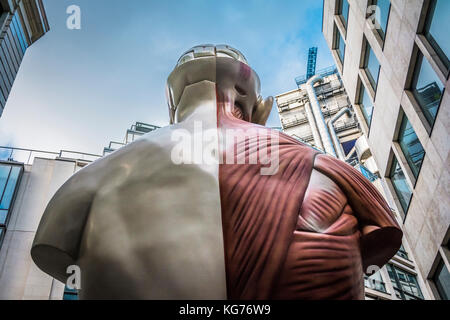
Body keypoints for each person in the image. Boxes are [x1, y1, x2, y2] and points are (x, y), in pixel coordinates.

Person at [32, 44, 402, 299]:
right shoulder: (329, 169)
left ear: (173, 104)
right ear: (262, 107)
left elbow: (51, 250)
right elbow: (379, 237)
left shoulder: (92, 177)